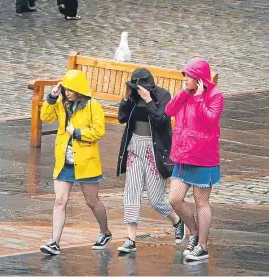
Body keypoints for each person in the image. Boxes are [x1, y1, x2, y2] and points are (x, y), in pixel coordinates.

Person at [40, 70, 111, 255]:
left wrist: (78, 133)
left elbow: (99, 131)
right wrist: (52, 97)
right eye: (65, 89)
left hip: (86, 162)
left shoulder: (93, 105)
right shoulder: (61, 103)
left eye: (70, 90)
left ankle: (105, 232)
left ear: (79, 90)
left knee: (92, 201)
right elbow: (45, 117)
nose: (67, 93)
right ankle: (54, 242)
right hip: (64, 162)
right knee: (59, 201)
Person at [116, 68, 185, 253]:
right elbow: (122, 118)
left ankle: (177, 221)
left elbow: (162, 120)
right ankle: (130, 239)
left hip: (155, 150)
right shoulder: (132, 96)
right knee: (131, 193)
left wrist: (148, 100)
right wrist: (126, 98)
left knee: (156, 199)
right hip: (134, 148)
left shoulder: (162, 95)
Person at [166, 57, 224, 261]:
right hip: (183, 156)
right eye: (184, 75)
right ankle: (194, 232)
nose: (185, 79)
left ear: (199, 79)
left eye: (189, 76)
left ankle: (202, 246)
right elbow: (169, 110)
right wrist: (184, 92)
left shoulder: (215, 96)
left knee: (202, 203)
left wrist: (199, 97)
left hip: (203, 157)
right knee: (174, 199)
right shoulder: (185, 93)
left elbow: (210, 121)